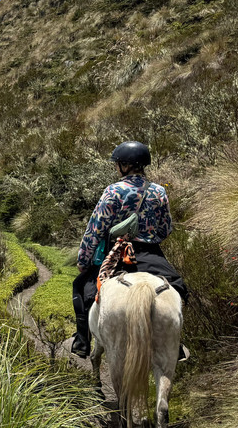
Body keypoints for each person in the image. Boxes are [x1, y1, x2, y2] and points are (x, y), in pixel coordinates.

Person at [70, 141, 189, 359]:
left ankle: (82, 341)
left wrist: (84, 261)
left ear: (125, 165)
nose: (116, 167)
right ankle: (176, 342)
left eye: (118, 164)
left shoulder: (113, 191)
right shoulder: (159, 192)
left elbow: (95, 230)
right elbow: (166, 229)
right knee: (178, 288)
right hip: (151, 253)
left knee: (82, 288)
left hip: (117, 254)